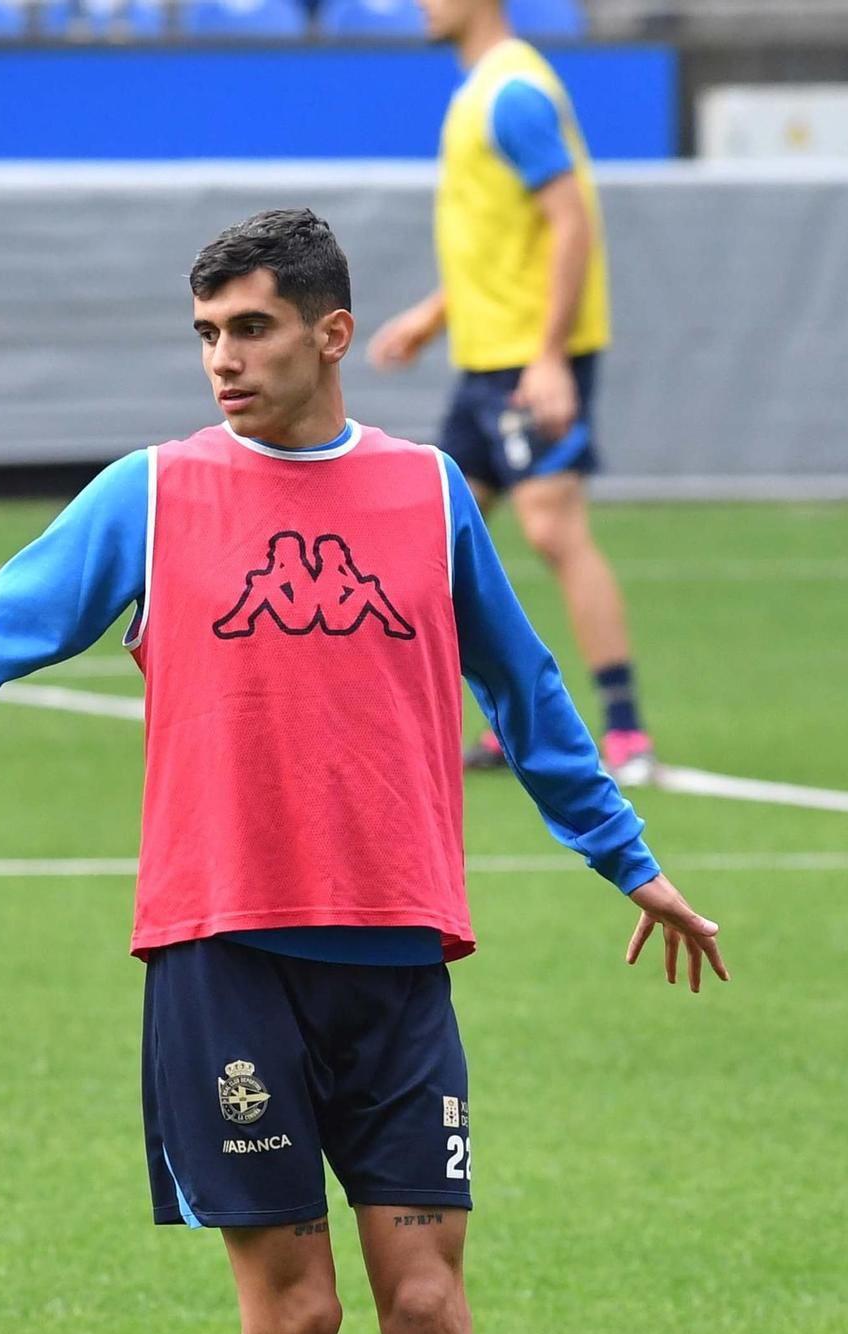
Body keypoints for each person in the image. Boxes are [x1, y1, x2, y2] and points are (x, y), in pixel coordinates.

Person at [0, 209, 726, 1334]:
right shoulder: (149, 493)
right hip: (225, 955)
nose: (222, 358)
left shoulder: (431, 491)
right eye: (207, 332)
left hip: (396, 953)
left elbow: (524, 687)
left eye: (251, 327)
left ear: (332, 333)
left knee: (426, 1305)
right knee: (298, 1314)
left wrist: (626, 857)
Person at [368, 0, 655, 784]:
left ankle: (625, 731)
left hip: (530, 362)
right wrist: (433, 317)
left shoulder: (512, 95)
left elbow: (571, 223)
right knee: (433, 537)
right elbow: (502, 241)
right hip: (487, 364)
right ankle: (508, 720)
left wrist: (550, 356)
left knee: (552, 528)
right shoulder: (481, 91)